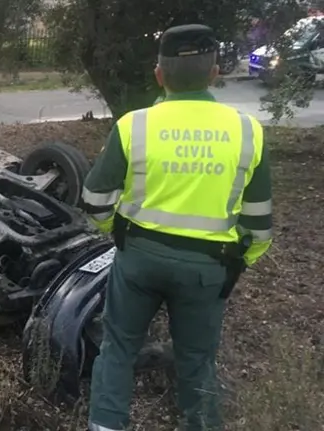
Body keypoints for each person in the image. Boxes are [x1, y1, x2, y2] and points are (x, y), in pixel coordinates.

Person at [79, 24, 273, 431]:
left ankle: (106, 425)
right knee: (197, 360)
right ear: (215, 73)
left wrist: (117, 231)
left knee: (118, 347)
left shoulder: (134, 126)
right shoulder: (247, 131)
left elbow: (94, 199)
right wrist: (241, 261)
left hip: (139, 261)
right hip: (208, 268)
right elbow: (259, 224)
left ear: (159, 75)